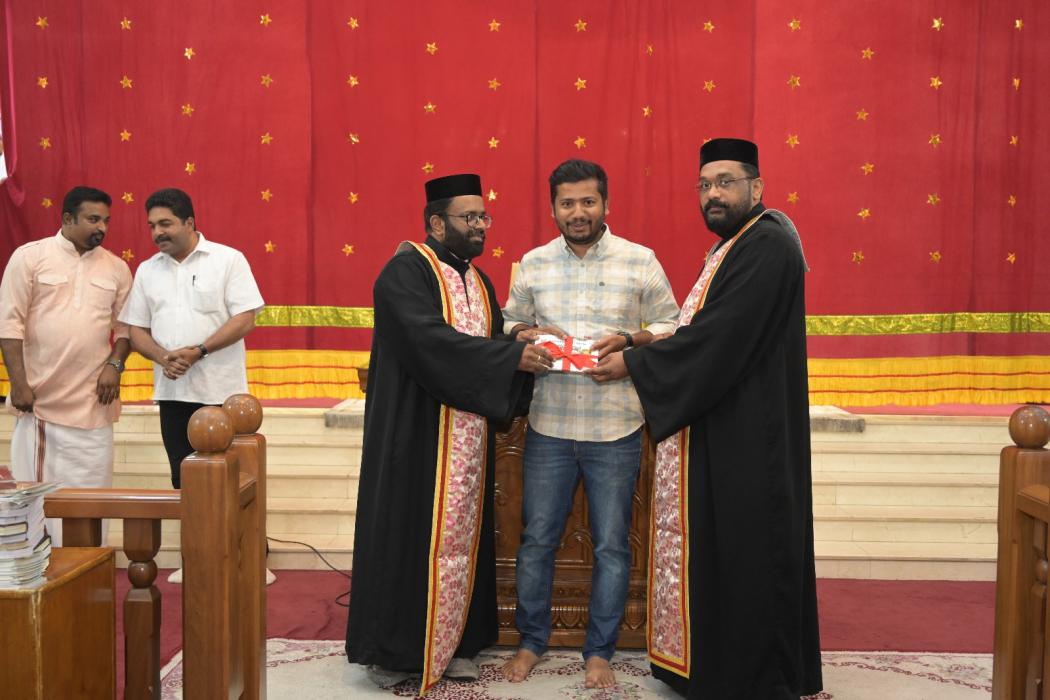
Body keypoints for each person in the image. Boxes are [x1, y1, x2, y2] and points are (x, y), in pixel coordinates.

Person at [589, 138, 823, 699]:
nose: (713, 194)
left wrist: (634, 366)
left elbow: (720, 338)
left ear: (756, 187)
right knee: (720, 554)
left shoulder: (767, 244)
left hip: (749, 437)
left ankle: (748, 677)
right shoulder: (733, 247)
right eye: (704, 185)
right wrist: (638, 342)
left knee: (746, 553)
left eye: (725, 182)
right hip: (723, 425)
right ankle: (707, 663)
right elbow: (696, 330)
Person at [345, 173, 553, 696]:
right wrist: (508, 357)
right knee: (409, 535)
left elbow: (488, 336)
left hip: (466, 438)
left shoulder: (477, 280)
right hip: (415, 436)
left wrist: (518, 338)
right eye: (470, 217)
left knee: (462, 538)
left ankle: (458, 642)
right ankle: (396, 651)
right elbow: (428, 341)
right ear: (437, 223)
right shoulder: (405, 271)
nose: (481, 225)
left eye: (484, 216)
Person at [500, 159, 679, 689]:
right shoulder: (533, 264)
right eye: (567, 203)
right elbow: (508, 322)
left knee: (612, 546)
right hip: (549, 426)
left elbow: (671, 324)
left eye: (587, 201)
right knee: (537, 540)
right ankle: (531, 641)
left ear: (605, 203)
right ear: (553, 207)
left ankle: (599, 652)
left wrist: (629, 346)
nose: (577, 212)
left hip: (616, 427)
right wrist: (527, 338)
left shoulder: (639, 260)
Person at [118, 187, 266, 583]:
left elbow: (245, 318)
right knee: (183, 479)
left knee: (236, 480)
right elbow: (136, 329)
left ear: (189, 222)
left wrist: (199, 351)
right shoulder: (147, 270)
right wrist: (162, 356)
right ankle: (199, 559)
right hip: (173, 394)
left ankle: (247, 559)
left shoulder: (228, 259)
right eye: (152, 226)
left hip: (223, 394)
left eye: (165, 224)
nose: (157, 233)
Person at [0, 186, 132, 546]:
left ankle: (89, 570)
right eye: (93, 219)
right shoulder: (30, 257)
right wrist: (19, 384)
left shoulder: (117, 268)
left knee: (93, 496)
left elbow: (126, 330)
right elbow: (9, 326)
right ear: (68, 218)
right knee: (39, 501)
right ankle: (45, 572)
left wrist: (115, 365)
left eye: (106, 220)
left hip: (94, 405)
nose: (101, 227)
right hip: (41, 405)